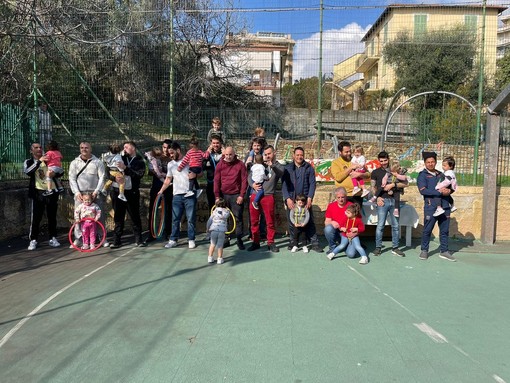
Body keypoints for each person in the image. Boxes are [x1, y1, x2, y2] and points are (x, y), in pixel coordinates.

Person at [282, 147, 322, 252]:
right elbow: (284, 185)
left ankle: (314, 243)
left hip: (304, 201)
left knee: (309, 221)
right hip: (292, 200)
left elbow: (312, 184)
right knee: (292, 222)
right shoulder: (287, 168)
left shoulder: (309, 168)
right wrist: (287, 199)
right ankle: (293, 242)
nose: (300, 157)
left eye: (301, 155)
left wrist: (309, 198)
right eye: (297, 155)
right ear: (293, 156)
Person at [417, 151, 456, 261]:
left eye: (432, 162)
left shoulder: (442, 174)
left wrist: (449, 191)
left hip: (445, 206)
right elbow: (423, 191)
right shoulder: (422, 176)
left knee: (444, 231)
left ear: (435, 162)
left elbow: (450, 186)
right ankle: (424, 250)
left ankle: (444, 251)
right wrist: (440, 193)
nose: (430, 164)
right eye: (428, 162)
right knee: (427, 229)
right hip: (431, 208)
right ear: (425, 163)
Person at [159, 141, 198, 249]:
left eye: (172, 153)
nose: (170, 155)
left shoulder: (189, 160)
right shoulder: (170, 164)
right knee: (175, 219)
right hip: (177, 195)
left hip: (189, 194)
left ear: (178, 150)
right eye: (169, 154)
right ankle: (173, 239)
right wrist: (161, 190)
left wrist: (195, 174)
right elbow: (168, 179)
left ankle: (191, 239)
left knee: (191, 218)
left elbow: (200, 173)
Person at [68, 142, 107, 247]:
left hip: (94, 192)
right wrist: (76, 192)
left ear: (91, 149)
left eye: (86, 147)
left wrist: (97, 191)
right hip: (80, 193)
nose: (84, 149)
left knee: (100, 216)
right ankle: (79, 239)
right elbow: (72, 178)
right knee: (78, 217)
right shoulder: (74, 163)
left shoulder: (98, 162)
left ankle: (102, 237)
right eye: (81, 148)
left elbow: (102, 177)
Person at [247, 145, 284, 253]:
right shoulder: (258, 164)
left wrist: (272, 166)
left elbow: (281, 173)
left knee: (270, 221)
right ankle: (255, 242)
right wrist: (252, 184)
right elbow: (249, 176)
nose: (267, 156)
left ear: (274, 153)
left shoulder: (278, 166)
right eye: (266, 154)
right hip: (255, 194)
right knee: (254, 221)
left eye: (269, 154)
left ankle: (271, 242)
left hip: (268, 196)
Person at [109, 141, 146, 248]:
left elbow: (139, 174)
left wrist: (126, 168)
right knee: (118, 217)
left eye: (126, 147)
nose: (124, 149)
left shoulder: (139, 161)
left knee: (135, 216)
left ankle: (139, 240)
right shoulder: (118, 158)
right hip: (117, 192)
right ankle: (116, 241)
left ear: (133, 148)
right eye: (123, 147)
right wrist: (114, 177)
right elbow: (109, 171)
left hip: (132, 192)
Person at [24, 142, 61, 250]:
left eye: (40, 147)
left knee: (52, 216)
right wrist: (39, 162)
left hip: (51, 191)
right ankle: (33, 240)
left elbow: (59, 170)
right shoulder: (28, 162)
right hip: (38, 193)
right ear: (31, 151)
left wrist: (56, 174)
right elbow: (28, 172)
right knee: (36, 217)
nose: (39, 149)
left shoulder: (48, 157)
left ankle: (53, 238)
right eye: (36, 148)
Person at [370, 151, 408, 257]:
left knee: (395, 226)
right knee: (380, 225)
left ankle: (395, 248)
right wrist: (377, 198)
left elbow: (406, 184)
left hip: (395, 201)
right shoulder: (375, 172)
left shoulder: (395, 170)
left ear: (388, 159)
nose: (383, 163)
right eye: (381, 161)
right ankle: (378, 247)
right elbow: (373, 187)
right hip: (382, 201)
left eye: (385, 160)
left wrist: (392, 185)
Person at [214, 146, 248, 250]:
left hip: (236, 196)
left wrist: (241, 195)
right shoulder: (220, 165)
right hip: (224, 196)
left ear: (234, 154)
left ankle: (239, 240)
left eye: (230, 154)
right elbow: (216, 181)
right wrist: (217, 196)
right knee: (224, 219)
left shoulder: (240, 165)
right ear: (224, 154)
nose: (228, 157)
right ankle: (226, 239)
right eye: (226, 155)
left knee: (238, 218)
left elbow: (244, 181)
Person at [146, 139, 173, 242]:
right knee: (153, 209)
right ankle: (151, 234)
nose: (165, 150)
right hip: (156, 187)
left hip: (169, 187)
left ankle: (168, 233)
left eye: (168, 147)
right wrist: (153, 170)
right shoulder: (156, 157)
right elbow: (150, 172)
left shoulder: (172, 158)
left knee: (168, 210)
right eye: (164, 147)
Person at [330, 141, 371, 206]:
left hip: (357, 196)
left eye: (350, 151)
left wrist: (360, 174)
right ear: (340, 152)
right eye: (346, 152)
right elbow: (338, 177)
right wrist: (351, 168)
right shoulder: (335, 163)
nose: (349, 153)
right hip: (344, 196)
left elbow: (368, 175)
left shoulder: (356, 159)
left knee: (355, 215)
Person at [324, 187, 356, 257]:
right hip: (336, 232)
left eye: (342, 197)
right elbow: (326, 222)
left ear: (346, 197)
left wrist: (354, 233)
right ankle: (332, 247)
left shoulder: (351, 206)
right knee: (328, 228)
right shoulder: (331, 206)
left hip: (348, 233)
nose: (340, 199)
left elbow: (358, 223)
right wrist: (332, 222)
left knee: (351, 254)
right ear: (335, 197)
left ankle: (344, 245)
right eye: (338, 197)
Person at [203, 135, 223, 211]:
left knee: (222, 207)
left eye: (217, 143)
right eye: (213, 143)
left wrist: (224, 155)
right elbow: (203, 167)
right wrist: (207, 155)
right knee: (211, 206)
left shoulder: (225, 154)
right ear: (211, 144)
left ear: (221, 144)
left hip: (222, 185)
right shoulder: (208, 155)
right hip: (211, 184)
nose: (215, 145)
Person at [206, 198, 230, 264]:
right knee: (220, 245)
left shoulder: (214, 211)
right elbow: (226, 216)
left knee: (212, 244)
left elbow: (209, 221)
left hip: (214, 230)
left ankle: (210, 257)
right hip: (222, 231)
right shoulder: (227, 212)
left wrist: (207, 228)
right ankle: (219, 258)